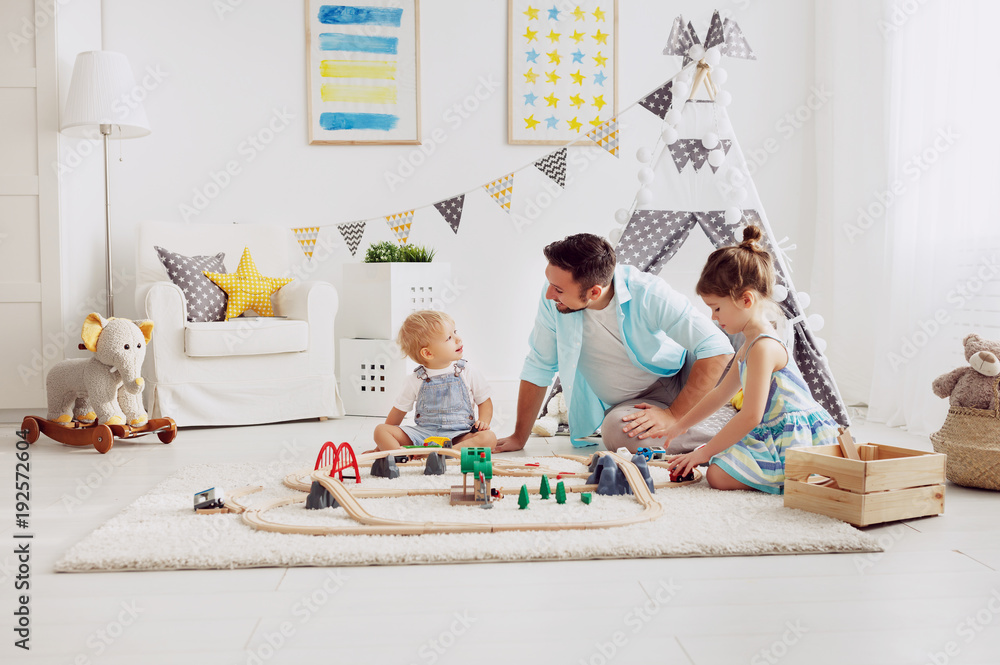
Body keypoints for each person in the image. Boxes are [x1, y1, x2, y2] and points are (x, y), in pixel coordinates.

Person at [495, 233, 734, 453]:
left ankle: (736, 420)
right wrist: (519, 436)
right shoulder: (554, 302)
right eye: (550, 284)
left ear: (594, 292)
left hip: (683, 374)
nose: (549, 294)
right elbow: (540, 364)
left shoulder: (647, 291)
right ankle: (736, 432)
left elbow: (717, 349)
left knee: (744, 333)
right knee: (617, 433)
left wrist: (673, 414)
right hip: (638, 403)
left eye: (558, 289)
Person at [664, 226, 839, 492]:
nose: (714, 318)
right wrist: (679, 426)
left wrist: (703, 453)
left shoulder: (764, 347)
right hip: (774, 431)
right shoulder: (749, 344)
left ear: (746, 300)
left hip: (796, 439)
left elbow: (751, 416)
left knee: (717, 473)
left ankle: (801, 476)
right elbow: (720, 394)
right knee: (717, 461)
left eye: (717, 308)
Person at [372, 310, 496, 452]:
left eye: (455, 332)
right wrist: (380, 446)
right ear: (428, 353)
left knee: (489, 438)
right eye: (449, 337)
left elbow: (484, 401)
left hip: (458, 435)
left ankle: (443, 454)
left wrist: (483, 422)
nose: (458, 339)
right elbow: (397, 413)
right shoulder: (415, 380)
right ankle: (402, 455)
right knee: (380, 430)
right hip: (423, 435)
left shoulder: (467, 371)